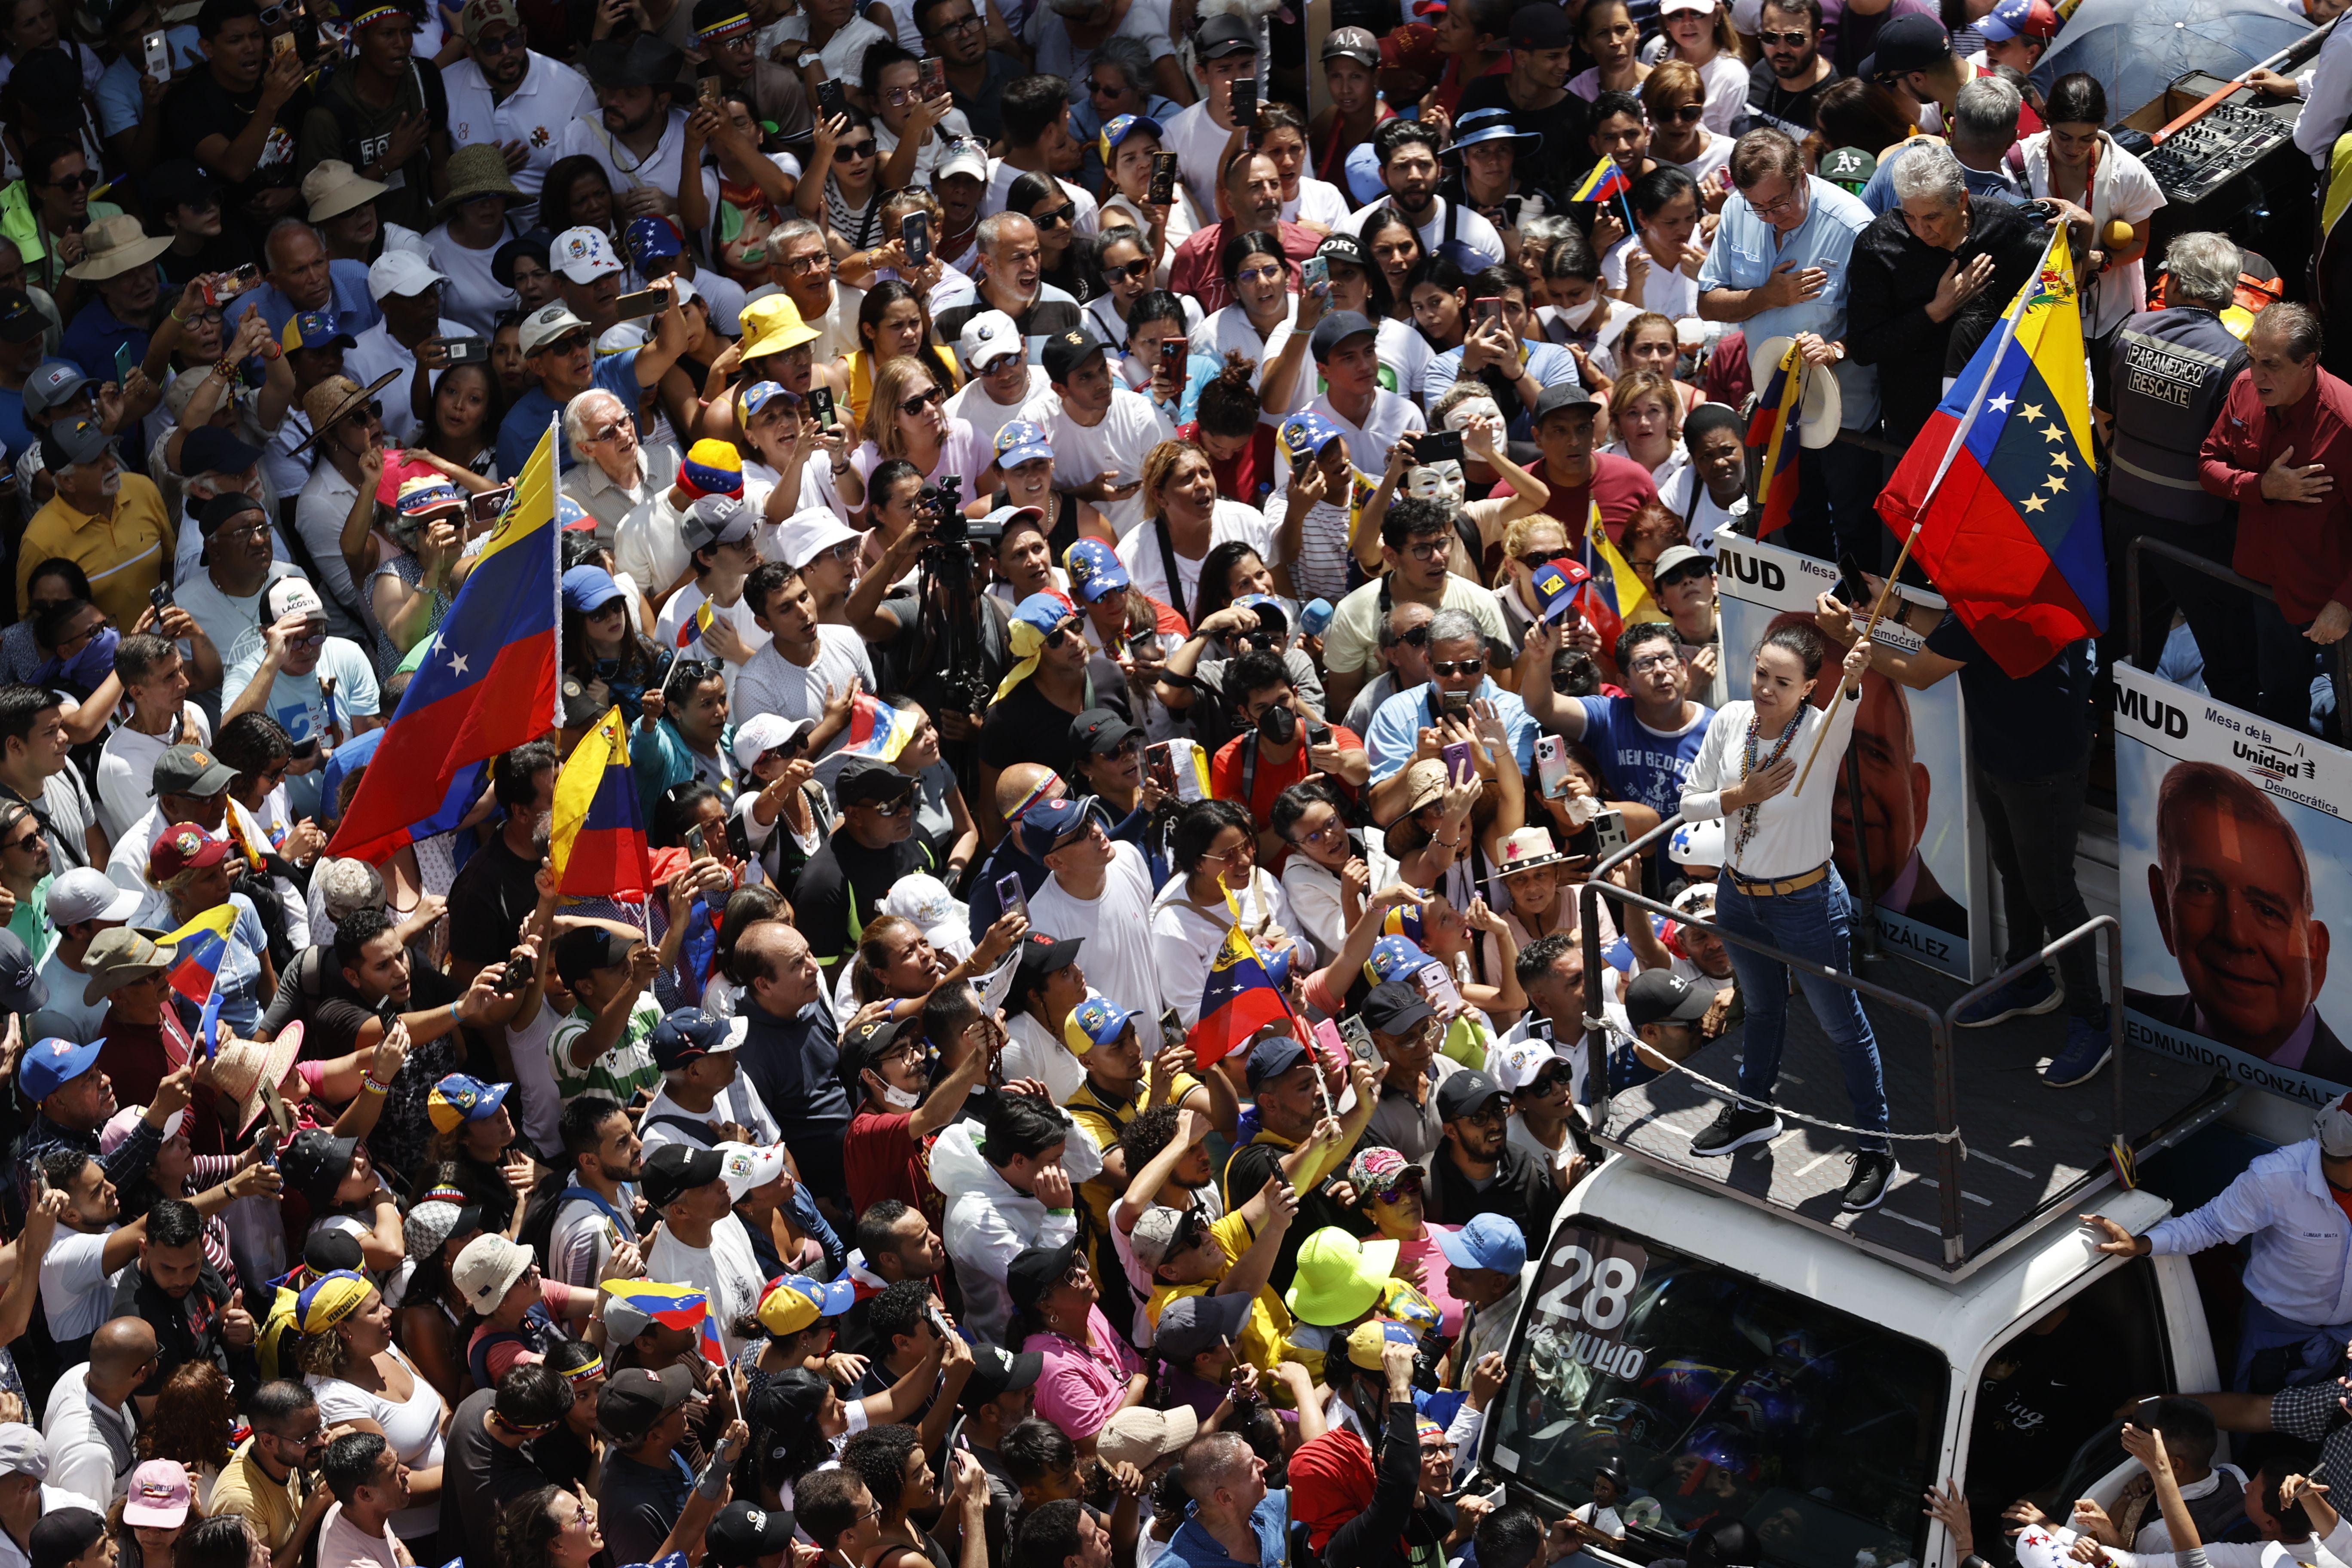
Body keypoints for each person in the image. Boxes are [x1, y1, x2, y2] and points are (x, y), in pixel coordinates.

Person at [1676, 622, 1892, 1211]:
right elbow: (1687, 802)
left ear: (1808, 689)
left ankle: (1877, 1148)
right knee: (1763, 1006)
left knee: (1841, 1023)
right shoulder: (1728, 722)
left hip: (1805, 902)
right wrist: (1738, 797)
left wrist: (1852, 681)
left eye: (1783, 682)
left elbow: (1848, 703)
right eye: (1761, 675)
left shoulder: (1820, 734)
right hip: (1737, 894)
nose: (1767, 688)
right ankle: (1753, 1109)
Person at [1697, 129, 1878, 567]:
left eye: (1780, 204)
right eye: (1759, 208)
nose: (1771, 217)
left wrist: (1835, 349)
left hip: (1845, 419)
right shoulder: (1741, 212)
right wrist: (1766, 296)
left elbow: (1881, 326)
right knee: (1798, 527)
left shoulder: (1852, 226)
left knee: (1856, 535)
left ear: (1802, 175)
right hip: (1779, 409)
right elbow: (1707, 302)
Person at [2109, 233, 2255, 699]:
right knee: (2229, 650)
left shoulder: (2129, 331)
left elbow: (2110, 408)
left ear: (2171, 283)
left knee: (2128, 638)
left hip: (2122, 515)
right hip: (2195, 533)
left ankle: (2113, 738)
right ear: (2229, 293)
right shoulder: (2234, 361)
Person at [2196, 303, 2351, 737]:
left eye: (2271, 365)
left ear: (2309, 363)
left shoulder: (2345, 422)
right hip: (2268, 590)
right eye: (2251, 358)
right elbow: (2209, 464)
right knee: (2281, 700)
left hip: (2330, 599)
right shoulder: (2243, 390)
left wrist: (2345, 603)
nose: (2256, 375)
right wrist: (2263, 487)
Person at [1846, 139, 2045, 449]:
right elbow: (1864, 347)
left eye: (1932, 218)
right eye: (1909, 216)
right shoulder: (1879, 246)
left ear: (1962, 199)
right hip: (1915, 424)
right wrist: (1936, 311)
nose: (1921, 231)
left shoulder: (2006, 228)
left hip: (1999, 407)